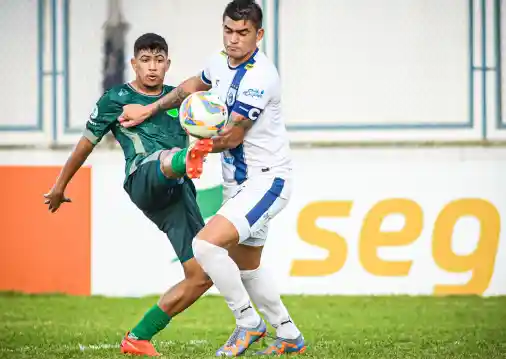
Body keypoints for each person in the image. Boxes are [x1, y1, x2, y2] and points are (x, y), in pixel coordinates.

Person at [119, 1, 306, 356]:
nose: (234, 39)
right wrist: (152, 107)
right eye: (228, 31)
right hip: (239, 185)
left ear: (259, 34)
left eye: (243, 33)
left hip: (267, 181)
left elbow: (234, 136)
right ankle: (288, 334)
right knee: (247, 268)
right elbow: (193, 84)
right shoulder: (219, 61)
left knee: (205, 246)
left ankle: (248, 323)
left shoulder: (260, 77)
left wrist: (197, 145)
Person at [43, 32, 215, 357]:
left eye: (159, 60)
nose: (152, 68)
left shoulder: (177, 97)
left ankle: (138, 337)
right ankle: (184, 158)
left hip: (178, 192)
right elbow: (85, 144)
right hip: (143, 178)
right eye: (145, 60)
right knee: (161, 159)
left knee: (201, 276)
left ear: (168, 63)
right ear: (133, 63)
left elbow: (199, 83)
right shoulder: (115, 98)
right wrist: (59, 186)